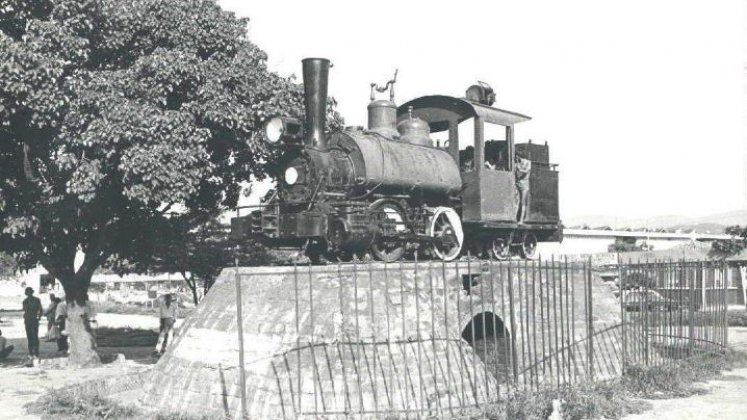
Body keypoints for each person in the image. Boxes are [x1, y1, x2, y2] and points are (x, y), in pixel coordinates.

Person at [22, 287, 43, 363]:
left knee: (35, 336)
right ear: (26, 293)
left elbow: (41, 310)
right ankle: (31, 352)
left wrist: (39, 317)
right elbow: (25, 310)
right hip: (27, 320)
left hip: (34, 320)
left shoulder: (37, 300)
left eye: (30, 292)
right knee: (29, 336)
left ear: (32, 292)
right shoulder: (25, 301)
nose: (29, 294)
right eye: (27, 292)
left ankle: (36, 353)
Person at [514, 152, 532, 222]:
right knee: (516, 202)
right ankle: (515, 218)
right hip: (517, 183)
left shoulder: (528, 162)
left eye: (516, 157)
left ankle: (521, 220)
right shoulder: (516, 163)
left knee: (522, 202)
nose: (515, 159)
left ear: (518, 156)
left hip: (524, 185)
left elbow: (526, 171)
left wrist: (519, 169)